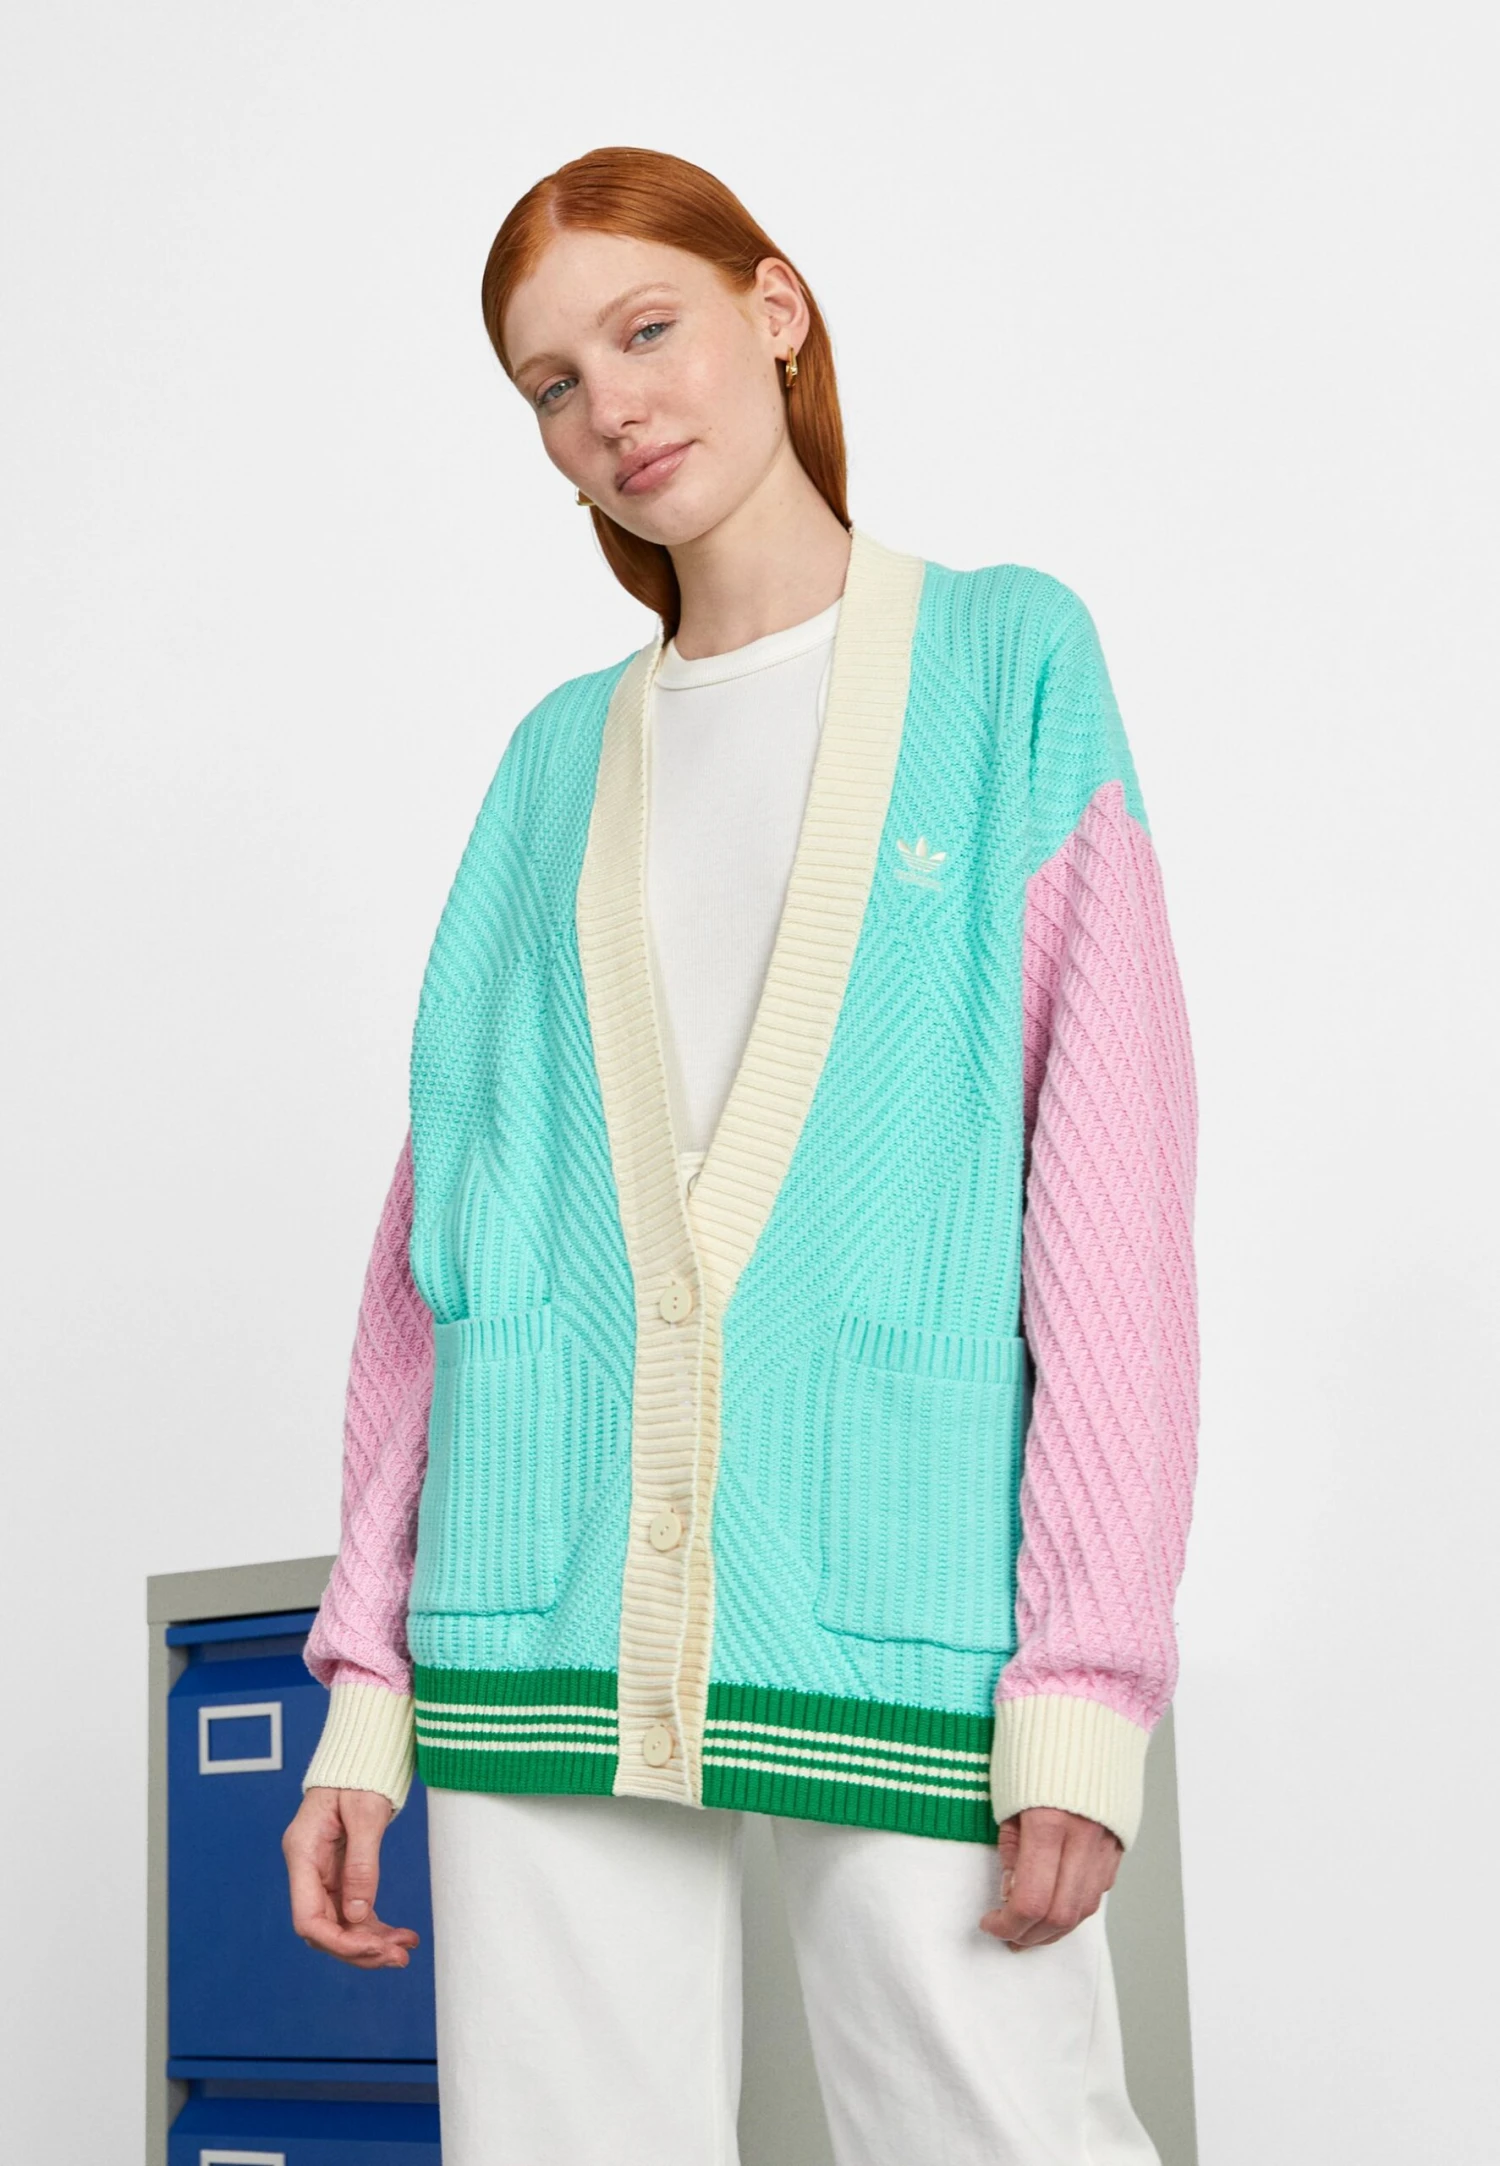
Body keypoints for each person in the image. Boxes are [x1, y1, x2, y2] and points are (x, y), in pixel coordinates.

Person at [281, 144, 1199, 2166]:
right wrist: (365, 1690)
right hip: (534, 1597)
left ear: (774, 311)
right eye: (551, 384)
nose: (608, 406)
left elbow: (1113, 1204)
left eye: (645, 328)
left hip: (903, 1593)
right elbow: (437, 1244)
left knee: (1001, 2133)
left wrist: (1087, 1680)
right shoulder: (552, 760)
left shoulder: (1006, 664)